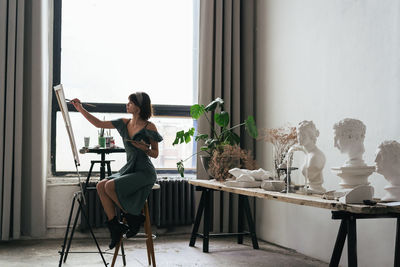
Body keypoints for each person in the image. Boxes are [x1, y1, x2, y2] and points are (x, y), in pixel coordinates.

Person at [71, 92, 163, 249]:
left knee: (109, 186)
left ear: (139, 108)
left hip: (144, 171)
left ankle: (132, 216)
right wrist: (80, 108)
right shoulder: (123, 123)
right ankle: (115, 226)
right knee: (101, 185)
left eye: (130, 103)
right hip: (129, 168)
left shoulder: (149, 127)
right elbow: (98, 123)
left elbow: (155, 153)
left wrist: (145, 149)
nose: (127, 104)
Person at [296, 120, 326, 193]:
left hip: (316, 190)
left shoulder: (315, 156)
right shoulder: (308, 154)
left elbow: (310, 174)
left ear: (311, 136)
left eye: (303, 135)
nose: (299, 137)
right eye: (298, 134)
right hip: (310, 188)